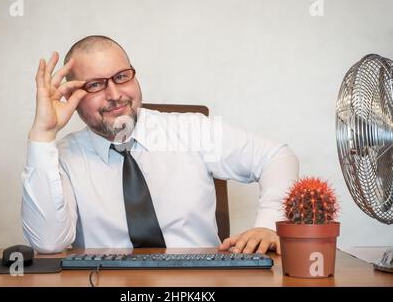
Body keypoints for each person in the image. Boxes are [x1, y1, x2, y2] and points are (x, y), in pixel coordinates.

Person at [22, 35, 299, 254]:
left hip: (198, 287)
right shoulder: (61, 158)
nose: (115, 94)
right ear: (72, 94)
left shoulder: (192, 129)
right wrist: (43, 134)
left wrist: (268, 226)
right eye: (95, 85)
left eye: (121, 77)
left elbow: (277, 156)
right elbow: (49, 243)